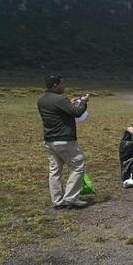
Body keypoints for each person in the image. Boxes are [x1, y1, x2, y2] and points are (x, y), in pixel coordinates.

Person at [37, 74, 90, 209]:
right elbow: (77, 112)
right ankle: (71, 198)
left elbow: (58, 111)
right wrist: (83, 102)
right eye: (62, 83)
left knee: (54, 170)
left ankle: (57, 200)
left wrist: (68, 103)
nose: (63, 86)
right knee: (78, 165)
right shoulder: (60, 99)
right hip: (64, 139)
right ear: (55, 85)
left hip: (49, 139)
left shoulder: (41, 99)